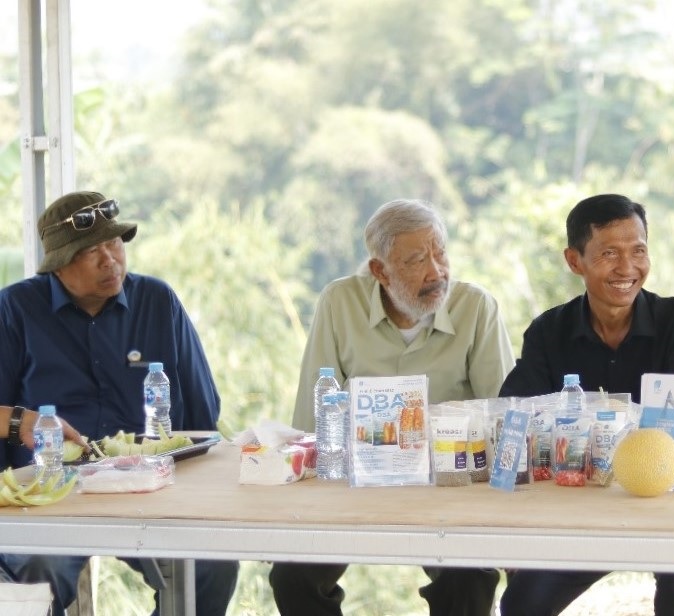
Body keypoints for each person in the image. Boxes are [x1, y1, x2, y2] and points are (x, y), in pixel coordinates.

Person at [268, 198, 516, 616]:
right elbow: (314, 415)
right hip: (356, 483)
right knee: (292, 576)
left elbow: (501, 419)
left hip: (448, 485)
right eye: (418, 259)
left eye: (440, 253)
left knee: (470, 577)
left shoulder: (476, 307)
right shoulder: (339, 302)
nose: (436, 271)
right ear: (380, 271)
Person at [0, 191, 239, 615]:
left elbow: (202, 411)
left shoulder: (157, 301)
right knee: (37, 568)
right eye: (90, 251)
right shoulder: (15, 309)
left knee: (212, 566)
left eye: (114, 243)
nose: (109, 259)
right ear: (58, 262)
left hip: (150, 486)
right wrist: (23, 422)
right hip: (50, 492)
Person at [498, 193, 674, 616]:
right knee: (521, 605)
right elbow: (515, 413)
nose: (627, 268)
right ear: (574, 260)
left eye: (638, 251)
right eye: (609, 254)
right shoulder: (548, 332)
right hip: (579, 513)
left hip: (670, 509)